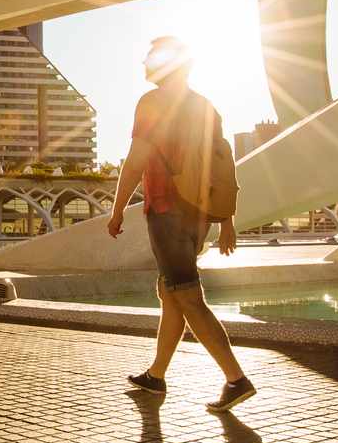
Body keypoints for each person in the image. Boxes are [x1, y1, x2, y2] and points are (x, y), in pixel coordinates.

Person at [107, 35, 254, 412]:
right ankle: (156, 376)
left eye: (149, 58)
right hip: (199, 215)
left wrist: (118, 207)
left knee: (187, 294)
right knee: (171, 293)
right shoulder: (206, 106)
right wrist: (227, 220)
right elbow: (221, 165)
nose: (143, 64)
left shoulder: (153, 103)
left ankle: (236, 380)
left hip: (167, 209)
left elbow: (136, 160)